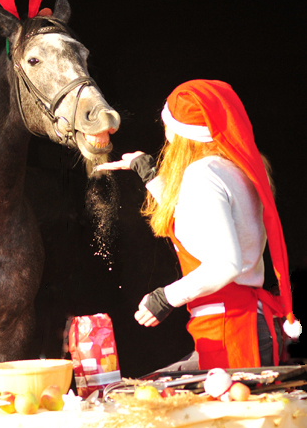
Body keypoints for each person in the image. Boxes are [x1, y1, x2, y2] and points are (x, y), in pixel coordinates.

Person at [96, 79, 301, 370]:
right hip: (240, 323)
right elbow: (198, 222)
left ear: (183, 133)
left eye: (168, 124)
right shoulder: (235, 168)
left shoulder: (202, 174)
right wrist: (148, 172)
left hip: (232, 331)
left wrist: (166, 297)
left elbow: (225, 264)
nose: (165, 133)